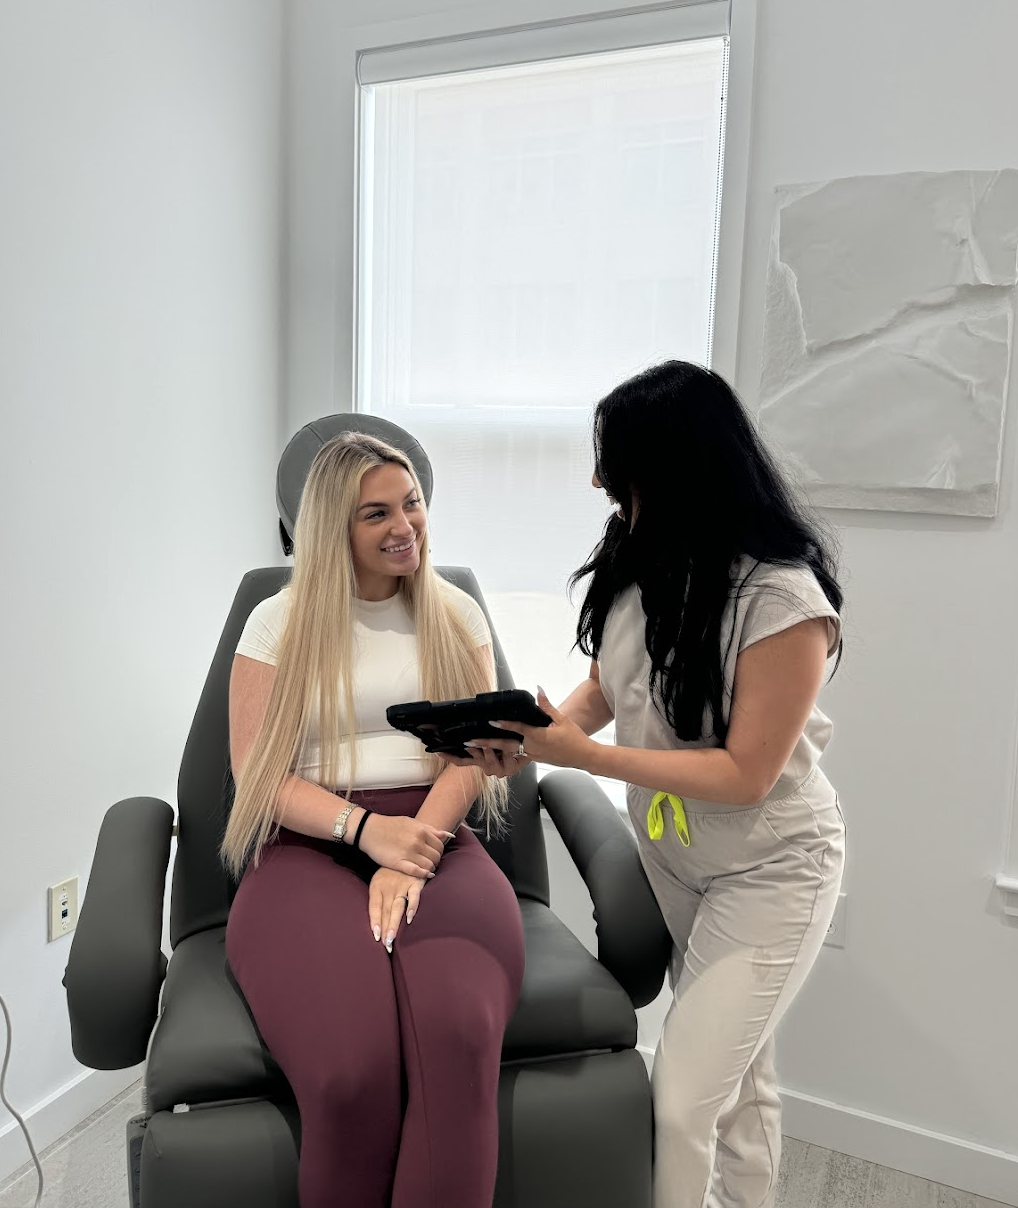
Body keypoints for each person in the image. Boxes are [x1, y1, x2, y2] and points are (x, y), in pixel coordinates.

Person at [450, 361, 846, 1208]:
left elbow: (746, 775)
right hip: (679, 861)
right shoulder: (650, 555)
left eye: (614, 460)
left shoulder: (783, 601)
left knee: (679, 1101)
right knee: (738, 1084)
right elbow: (612, 687)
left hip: (771, 868)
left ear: (674, 465)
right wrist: (532, 737)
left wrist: (580, 757)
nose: (597, 478)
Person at [221, 432, 525, 1208]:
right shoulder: (276, 621)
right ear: (332, 528)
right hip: (307, 847)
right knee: (350, 1071)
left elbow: (472, 755)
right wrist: (366, 834)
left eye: (413, 504)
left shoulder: (455, 613)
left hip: (436, 836)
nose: (406, 527)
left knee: (457, 1045)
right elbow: (259, 776)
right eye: (376, 513)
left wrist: (410, 847)